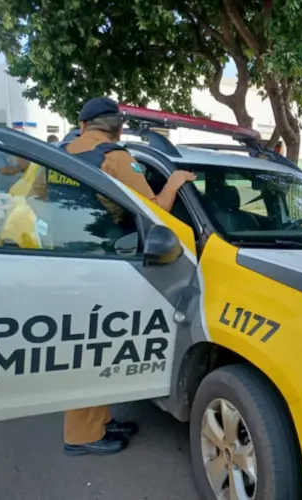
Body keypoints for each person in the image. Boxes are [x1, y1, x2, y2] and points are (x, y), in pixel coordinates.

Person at [54, 97, 196, 457]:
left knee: (84, 348)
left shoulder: (54, 155)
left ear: (82, 124)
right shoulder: (114, 157)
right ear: (117, 128)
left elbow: (26, 198)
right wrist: (175, 180)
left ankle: (96, 421)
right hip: (101, 262)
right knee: (91, 350)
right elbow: (156, 209)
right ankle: (82, 435)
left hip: (61, 257)